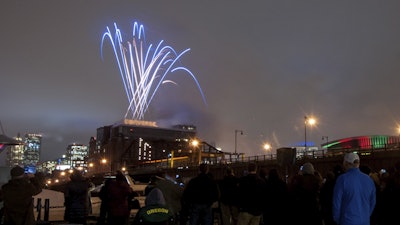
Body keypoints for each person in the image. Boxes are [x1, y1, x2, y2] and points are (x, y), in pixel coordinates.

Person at [332, 152, 376, 225]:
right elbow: (372, 202)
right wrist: (366, 215)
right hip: (365, 220)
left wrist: (337, 219)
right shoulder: (369, 179)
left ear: (346, 163)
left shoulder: (342, 179)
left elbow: (337, 203)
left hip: (347, 221)